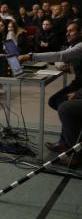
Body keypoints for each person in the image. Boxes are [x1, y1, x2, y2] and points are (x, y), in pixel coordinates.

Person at [19, 21, 82, 167]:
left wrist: (30, 56)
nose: (67, 33)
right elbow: (62, 59)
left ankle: (75, 152)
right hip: (79, 83)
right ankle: (65, 141)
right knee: (56, 101)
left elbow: (60, 55)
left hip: (80, 86)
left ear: (80, 32)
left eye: (71, 31)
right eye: (67, 30)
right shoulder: (74, 45)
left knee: (64, 107)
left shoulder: (80, 46)